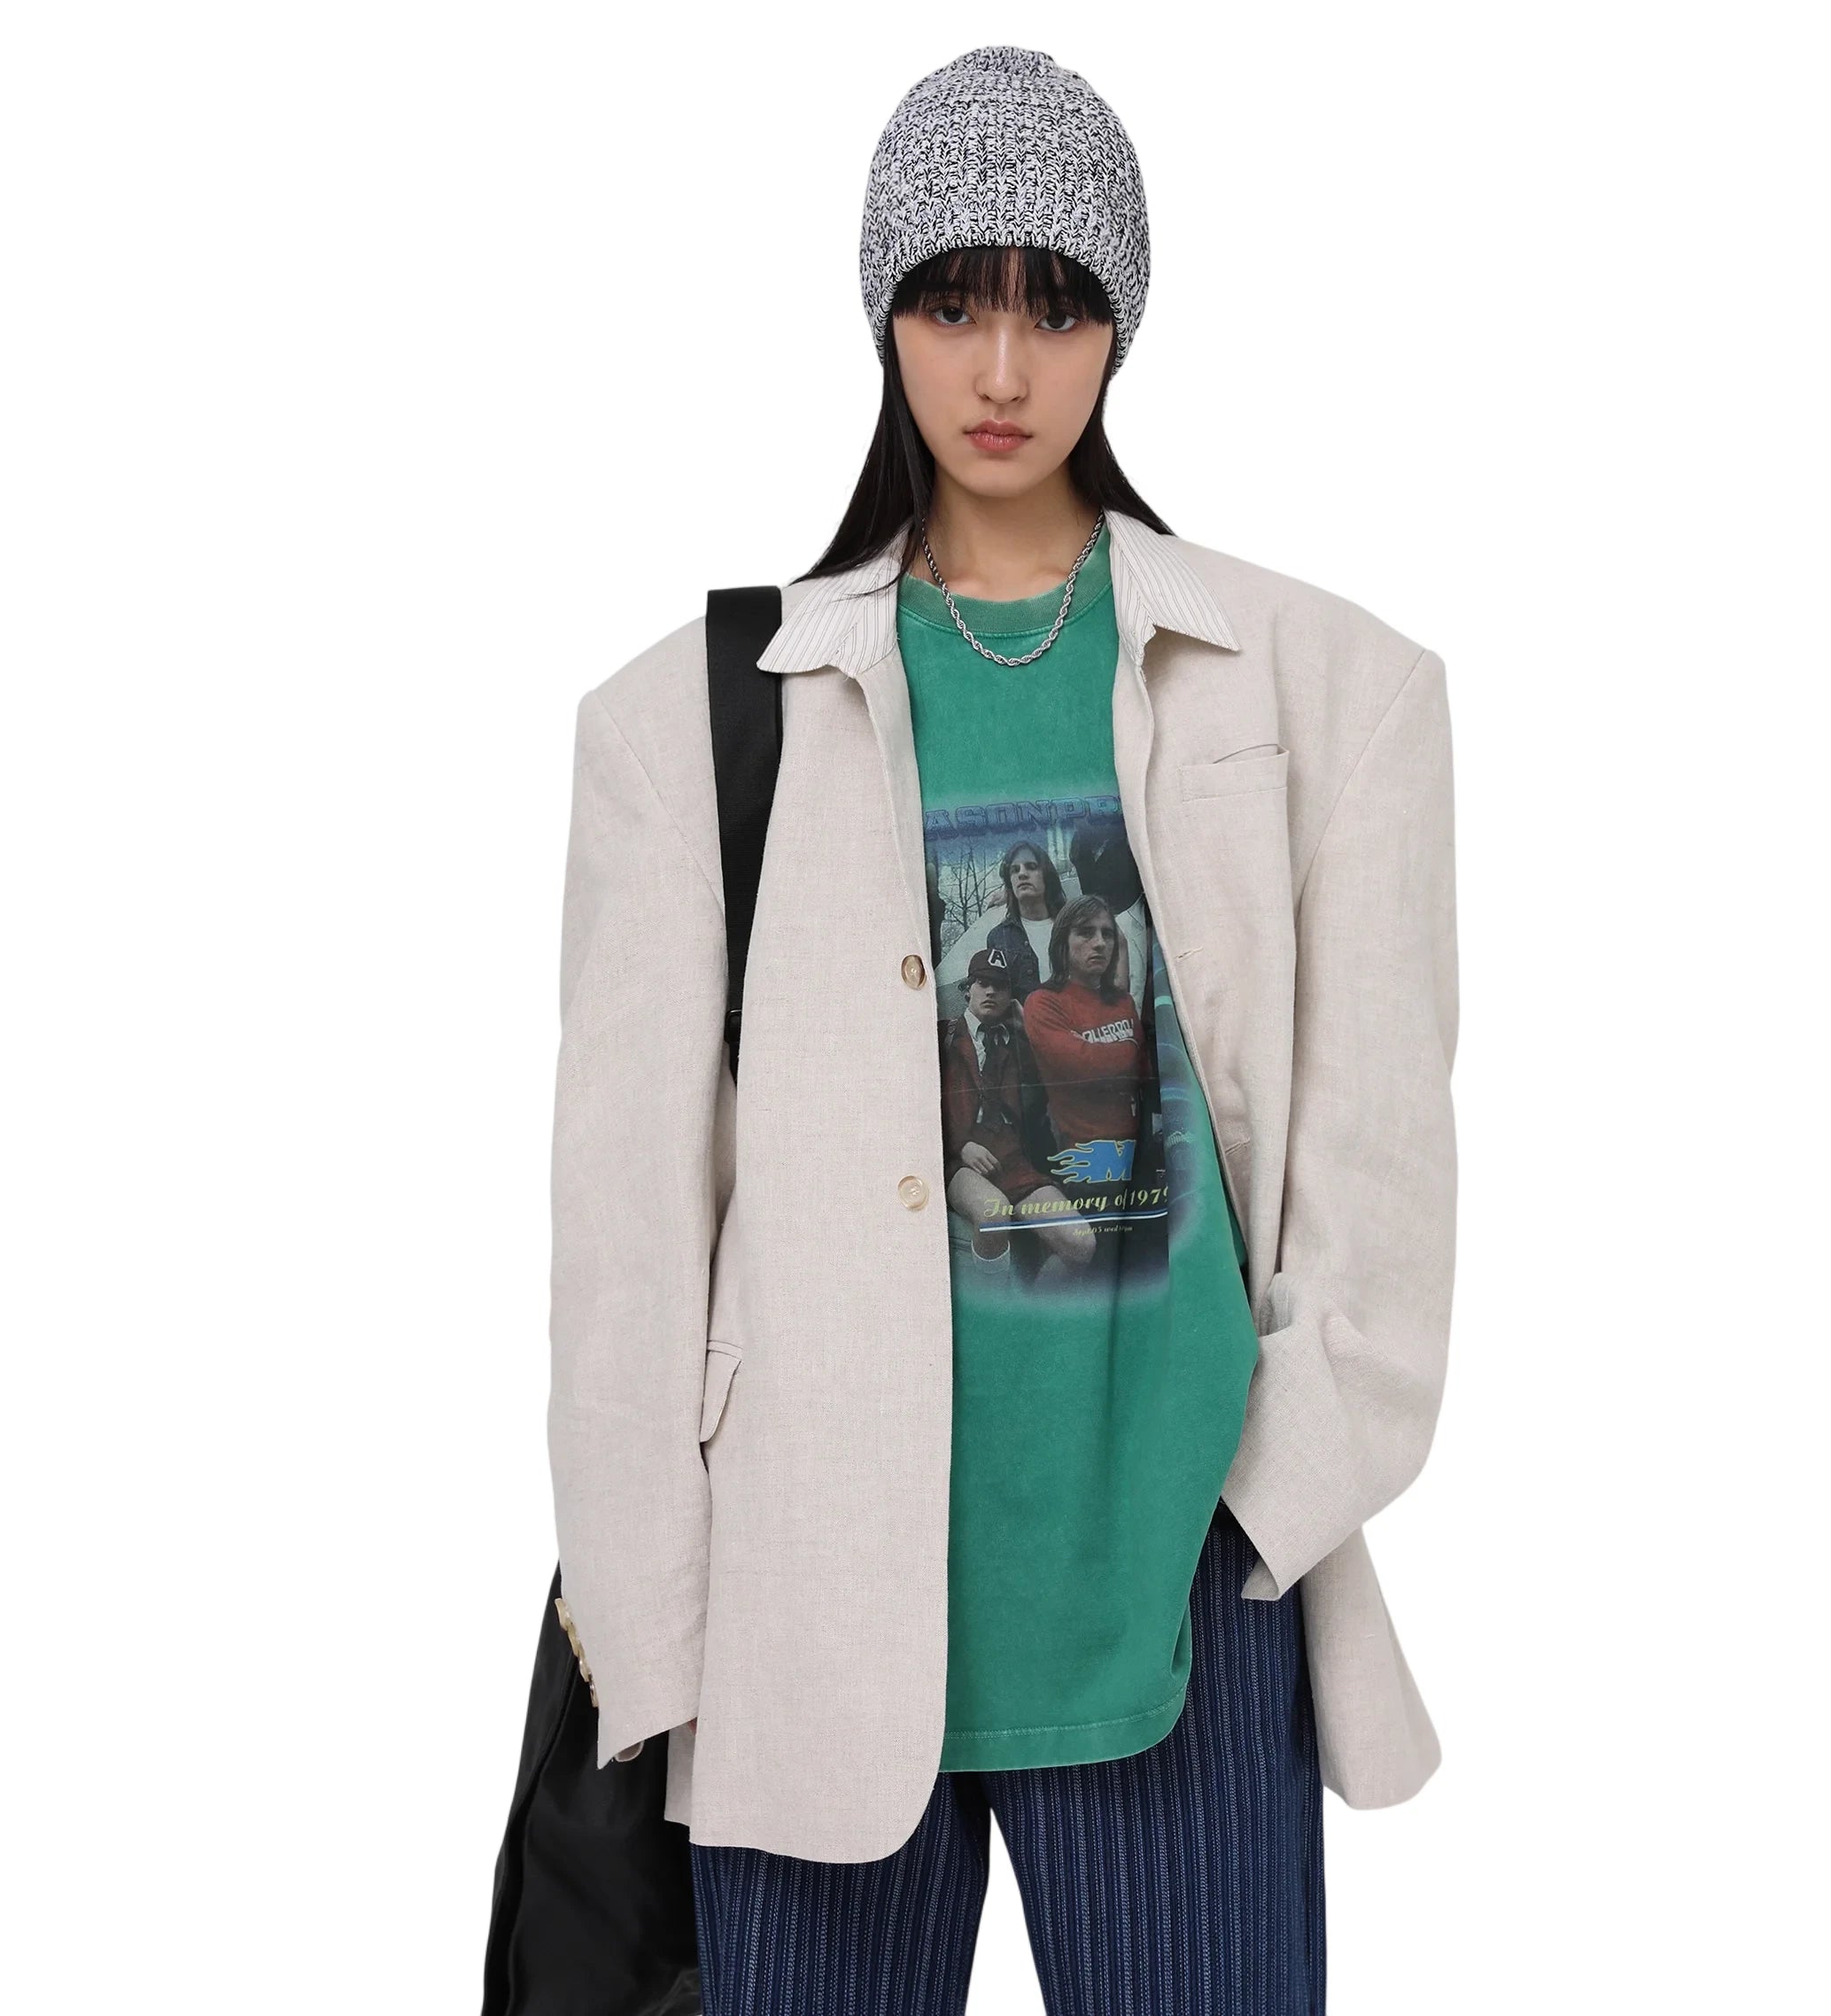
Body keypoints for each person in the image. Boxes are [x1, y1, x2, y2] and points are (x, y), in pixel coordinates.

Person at [546, 44, 1459, 2016]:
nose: (1001, 368)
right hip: (809, 1616)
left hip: (1180, 1604)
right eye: (953, 301)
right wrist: (657, 1647)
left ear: (1124, 324)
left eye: (1058, 308)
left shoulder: (1325, 692)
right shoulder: (691, 724)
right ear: (882, 312)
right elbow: (624, 1247)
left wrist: (1259, 1507)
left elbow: (1383, 1188)